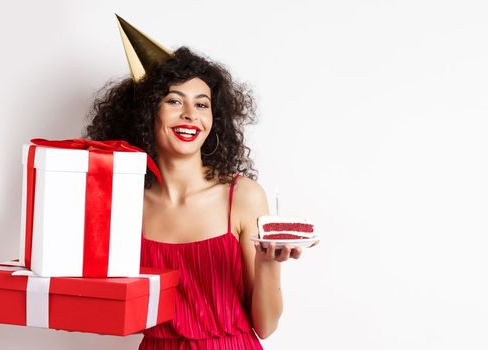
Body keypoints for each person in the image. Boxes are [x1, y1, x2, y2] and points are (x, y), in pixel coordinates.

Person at [83, 17, 315, 350]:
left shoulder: (243, 197)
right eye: (174, 101)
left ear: (213, 119)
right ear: (147, 113)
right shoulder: (122, 203)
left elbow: (265, 326)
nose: (191, 114)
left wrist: (266, 263)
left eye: (202, 104)